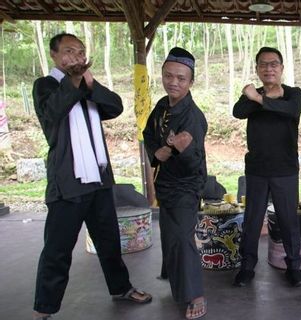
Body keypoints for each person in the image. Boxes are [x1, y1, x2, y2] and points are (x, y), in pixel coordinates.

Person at [32, 33, 152, 320]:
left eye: (81, 51)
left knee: (109, 242)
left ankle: (121, 288)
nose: (76, 57)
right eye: (69, 51)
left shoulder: (86, 86)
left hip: (98, 179)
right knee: (58, 250)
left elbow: (115, 106)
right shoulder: (46, 86)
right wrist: (74, 81)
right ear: (54, 56)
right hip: (68, 183)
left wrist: (89, 83)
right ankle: (43, 309)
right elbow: (52, 114)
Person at [143, 47, 208, 320]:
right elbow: (149, 134)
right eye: (168, 76)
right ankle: (172, 273)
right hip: (166, 181)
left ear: (191, 81)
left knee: (182, 237)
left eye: (181, 78)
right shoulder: (161, 105)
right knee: (169, 232)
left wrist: (171, 151)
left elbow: (193, 163)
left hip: (186, 184)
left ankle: (195, 294)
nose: (174, 82)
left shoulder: (194, 117)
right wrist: (163, 150)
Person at [232, 47, 301, 287]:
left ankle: (293, 265)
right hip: (257, 169)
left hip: (285, 169)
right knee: (252, 220)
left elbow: (291, 111)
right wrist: (257, 97)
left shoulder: (294, 94)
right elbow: (238, 111)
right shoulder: (252, 94)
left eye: (273, 64)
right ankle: (247, 266)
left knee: (288, 220)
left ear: (282, 68)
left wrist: (259, 99)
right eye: (263, 64)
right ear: (257, 69)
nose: (268, 68)